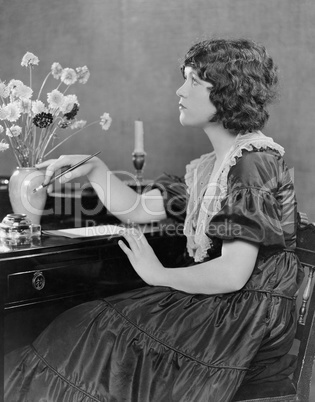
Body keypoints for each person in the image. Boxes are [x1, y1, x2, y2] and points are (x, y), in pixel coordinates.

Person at [4, 38, 303, 402]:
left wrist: (158, 274)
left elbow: (232, 274)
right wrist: (97, 171)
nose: (180, 89)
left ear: (227, 92)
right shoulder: (213, 166)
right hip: (228, 306)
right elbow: (139, 209)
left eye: (194, 81)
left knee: (95, 331)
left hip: (244, 320)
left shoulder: (253, 162)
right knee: (89, 326)